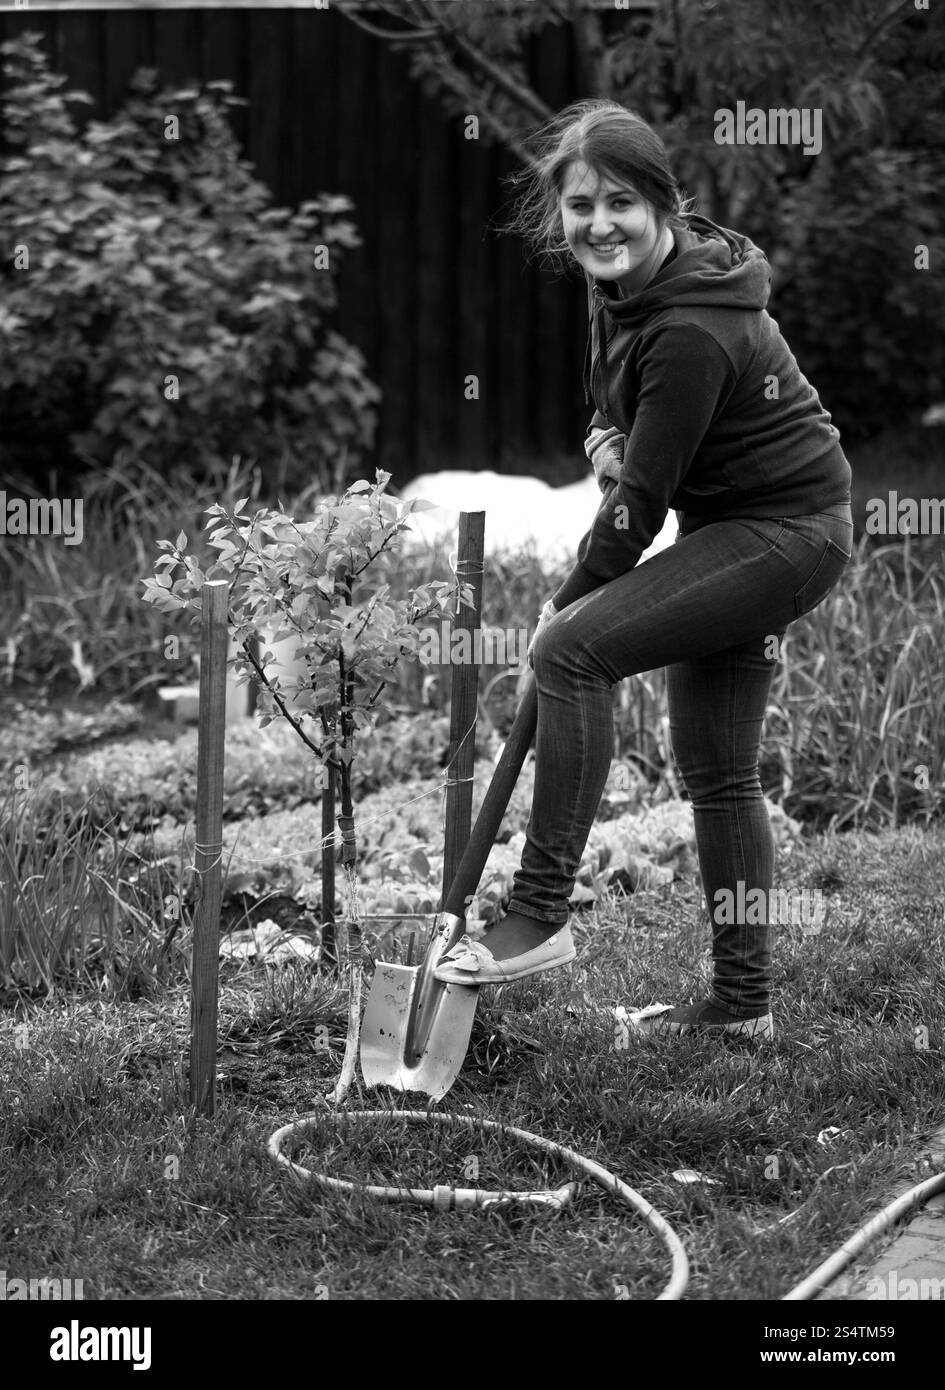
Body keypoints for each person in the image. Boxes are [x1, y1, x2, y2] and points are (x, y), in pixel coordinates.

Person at [434, 100, 853, 1040]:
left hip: (783, 533)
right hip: (732, 527)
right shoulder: (618, 286)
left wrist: (569, 596)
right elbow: (612, 416)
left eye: (620, 202)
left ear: (663, 203)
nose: (596, 224)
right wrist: (601, 439)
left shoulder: (692, 328)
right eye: (578, 206)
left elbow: (641, 504)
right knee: (717, 770)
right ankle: (742, 1010)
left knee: (573, 651)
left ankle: (538, 911)